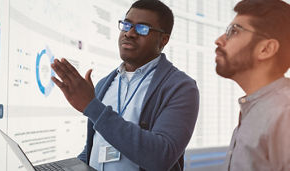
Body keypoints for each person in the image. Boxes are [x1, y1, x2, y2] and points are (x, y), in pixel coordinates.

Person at [51, 0, 199, 170]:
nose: (130, 33)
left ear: (163, 40)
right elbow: (94, 149)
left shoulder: (181, 87)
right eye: (127, 25)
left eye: (143, 28)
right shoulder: (103, 84)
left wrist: (92, 106)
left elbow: (161, 156)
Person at [214, 0, 290, 170]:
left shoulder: (284, 113)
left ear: (266, 49)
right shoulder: (255, 108)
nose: (218, 40)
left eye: (233, 31)